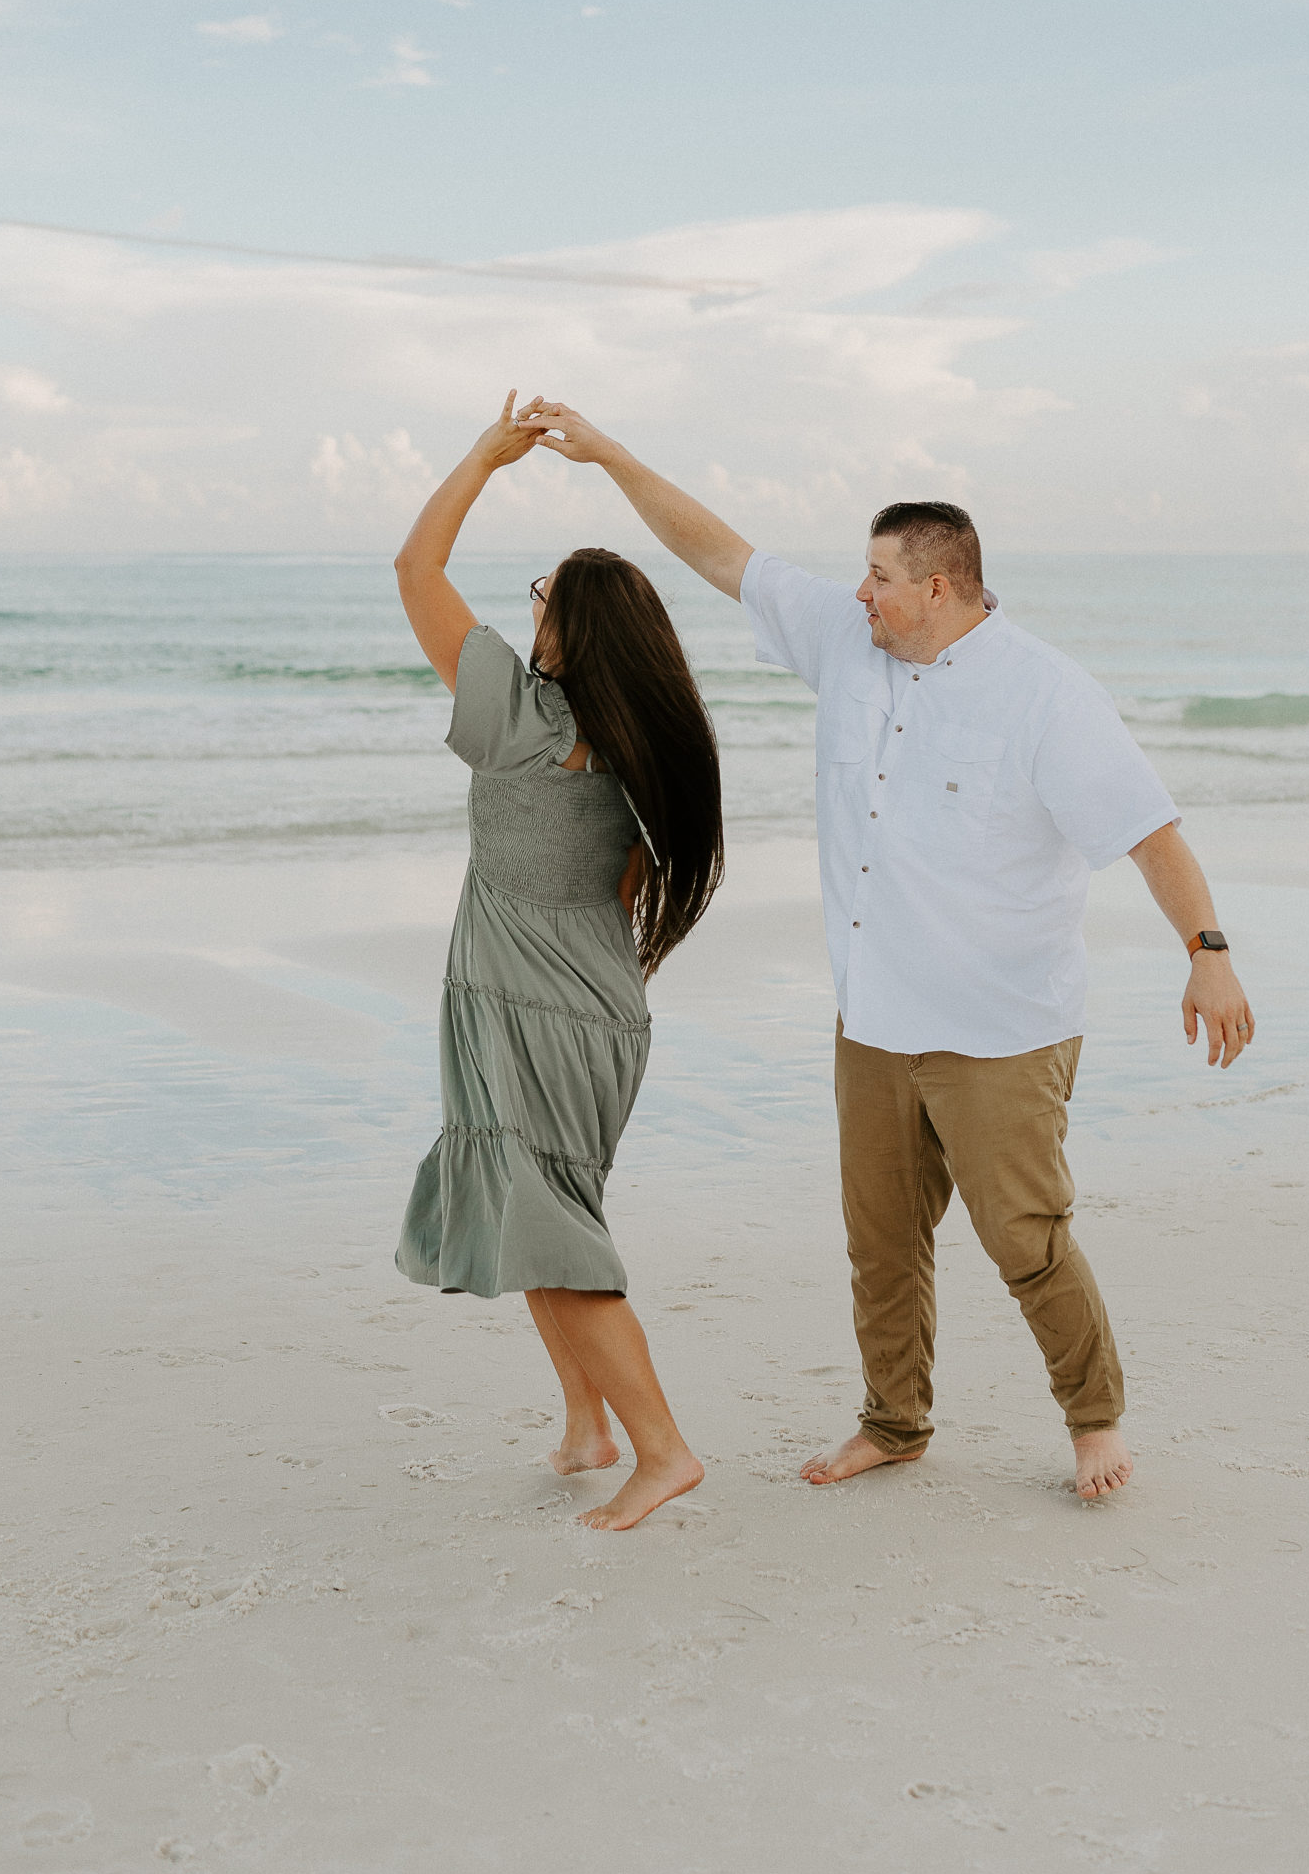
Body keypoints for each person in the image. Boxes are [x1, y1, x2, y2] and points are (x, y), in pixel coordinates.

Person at [518, 401, 1254, 1502]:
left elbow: (1149, 830)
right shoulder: (846, 641)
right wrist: (614, 456)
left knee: (1026, 1239)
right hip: (874, 1019)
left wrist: (1208, 949)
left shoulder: (1045, 696)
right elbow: (718, 551)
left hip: (1002, 1027)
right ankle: (894, 1422)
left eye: (877, 577)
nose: (856, 592)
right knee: (881, 1243)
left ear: (940, 589)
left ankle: (1093, 1417)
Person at [391, 393, 724, 1529]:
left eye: (541, 598)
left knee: (554, 1233)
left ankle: (663, 1449)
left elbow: (415, 564)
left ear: (570, 627)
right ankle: (588, 1424)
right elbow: (621, 888)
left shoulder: (517, 718)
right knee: (547, 1217)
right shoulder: (643, 743)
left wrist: (485, 454)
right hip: (600, 1005)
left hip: (528, 1004)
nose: (528, 608)